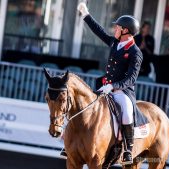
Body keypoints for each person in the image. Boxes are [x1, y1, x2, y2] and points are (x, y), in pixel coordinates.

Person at [60, 2, 143, 165]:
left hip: (122, 91)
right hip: (105, 87)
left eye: (118, 27)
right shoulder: (115, 42)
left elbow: (132, 78)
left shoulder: (135, 52)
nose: (115, 29)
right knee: (82, 107)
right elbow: (99, 32)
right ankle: (69, 143)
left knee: (126, 111)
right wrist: (86, 15)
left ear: (126, 31)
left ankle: (127, 148)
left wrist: (114, 86)